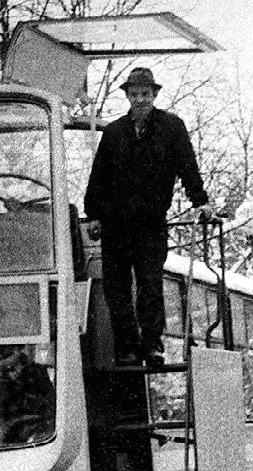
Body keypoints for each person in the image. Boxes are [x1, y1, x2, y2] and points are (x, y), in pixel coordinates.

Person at [85, 67, 214, 366]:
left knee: (149, 284)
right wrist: (94, 214)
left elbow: (188, 167)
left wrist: (201, 201)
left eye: (145, 94)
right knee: (115, 289)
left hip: (150, 223)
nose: (140, 99)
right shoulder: (114, 132)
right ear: (128, 97)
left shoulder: (172, 128)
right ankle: (128, 348)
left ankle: (152, 345)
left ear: (154, 95)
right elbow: (99, 175)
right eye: (134, 94)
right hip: (116, 224)